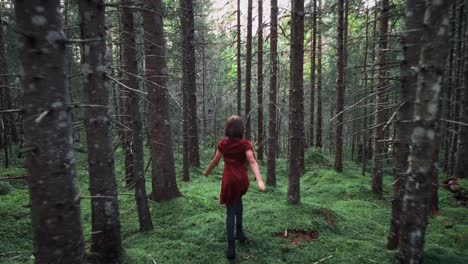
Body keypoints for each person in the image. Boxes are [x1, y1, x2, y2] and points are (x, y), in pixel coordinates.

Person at [204, 115, 265, 259]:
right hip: (242, 180)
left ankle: (231, 247)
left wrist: (207, 172)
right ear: (241, 130)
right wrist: (259, 180)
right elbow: (252, 161)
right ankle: (240, 233)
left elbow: (215, 160)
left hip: (229, 180)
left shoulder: (223, 144)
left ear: (228, 129)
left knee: (230, 211)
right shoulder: (245, 144)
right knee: (238, 201)